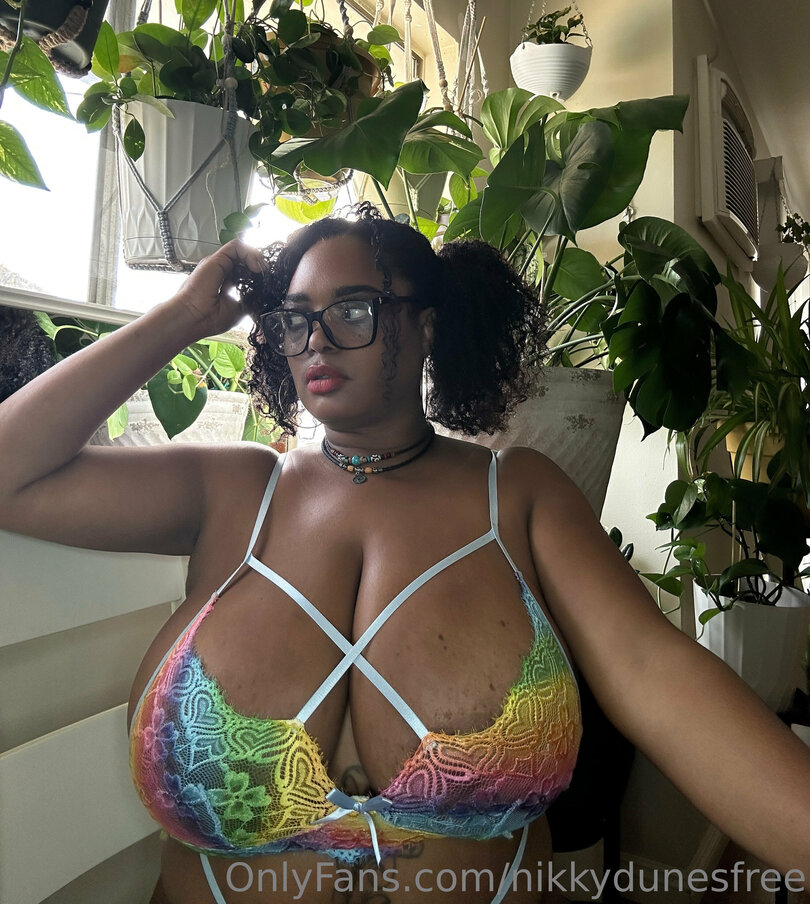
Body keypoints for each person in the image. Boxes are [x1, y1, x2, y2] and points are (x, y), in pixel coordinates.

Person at [0, 203, 808, 904]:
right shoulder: (235, 491)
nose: (316, 341)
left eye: (352, 310)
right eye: (295, 319)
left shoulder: (518, 497)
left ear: (426, 325)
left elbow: (652, 673)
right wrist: (183, 316)